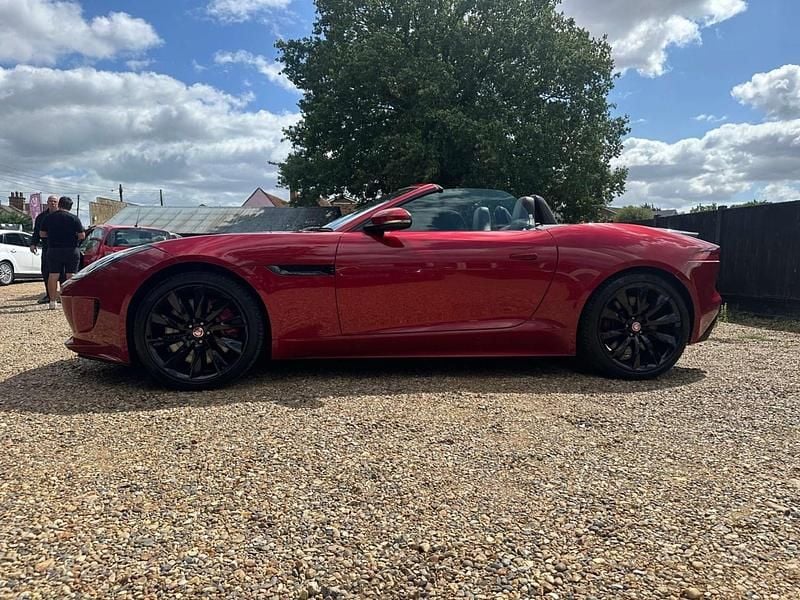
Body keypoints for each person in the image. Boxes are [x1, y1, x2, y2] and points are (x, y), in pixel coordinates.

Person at [39, 196, 85, 310]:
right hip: (71, 249)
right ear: (70, 207)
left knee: (53, 275)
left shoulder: (48, 218)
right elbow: (82, 235)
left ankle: (52, 302)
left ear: (59, 204)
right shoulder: (74, 218)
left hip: (53, 249)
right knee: (71, 275)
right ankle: (69, 301)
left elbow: (42, 234)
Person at [29, 195, 64, 304]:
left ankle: (63, 296)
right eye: (50, 201)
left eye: (54, 201)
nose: (52, 203)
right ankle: (49, 295)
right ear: (47, 203)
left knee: (62, 273)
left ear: (58, 203)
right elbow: (36, 232)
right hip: (47, 247)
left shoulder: (63, 215)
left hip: (61, 248)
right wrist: (33, 244)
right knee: (46, 271)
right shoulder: (41, 217)